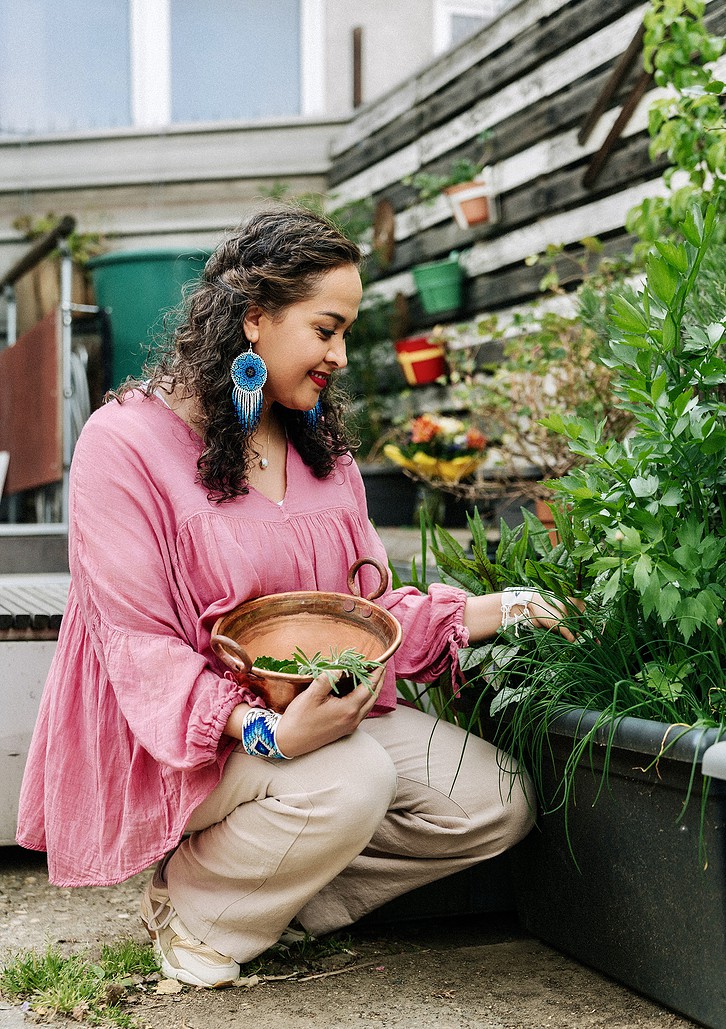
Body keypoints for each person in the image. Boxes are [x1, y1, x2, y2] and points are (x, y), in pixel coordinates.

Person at [17, 206, 577, 989]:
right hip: (198, 736)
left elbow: (360, 614)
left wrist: (500, 608)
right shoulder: (126, 442)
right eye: (327, 329)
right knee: (355, 781)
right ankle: (195, 910)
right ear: (254, 320)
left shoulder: (319, 449)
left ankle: (273, 889)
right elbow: (138, 644)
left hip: (321, 712)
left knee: (495, 800)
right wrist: (270, 731)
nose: (341, 354)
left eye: (346, 332)